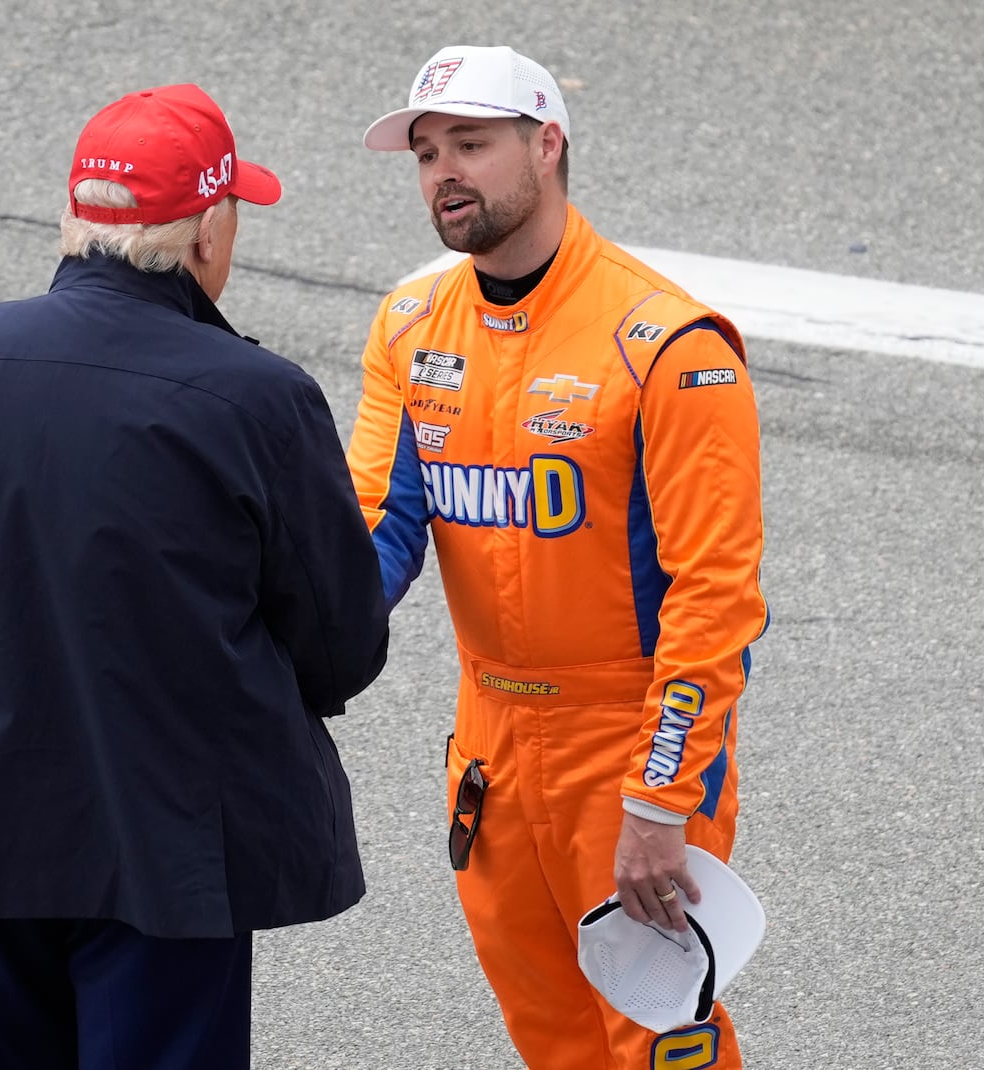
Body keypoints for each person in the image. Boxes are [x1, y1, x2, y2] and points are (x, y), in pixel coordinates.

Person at [0, 83, 390, 1069]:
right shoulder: (257, 398)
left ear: (76, 221)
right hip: (166, 856)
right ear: (208, 231)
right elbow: (343, 641)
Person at [347, 45, 769, 1070]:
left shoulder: (667, 343)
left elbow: (713, 599)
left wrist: (657, 800)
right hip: (489, 746)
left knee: (661, 1037)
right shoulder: (410, 326)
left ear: (547, 144)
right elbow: (374, 531)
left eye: (472, 145)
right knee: (552, 1039)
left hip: (623, 747)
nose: (444, 170)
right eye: (426, 151)